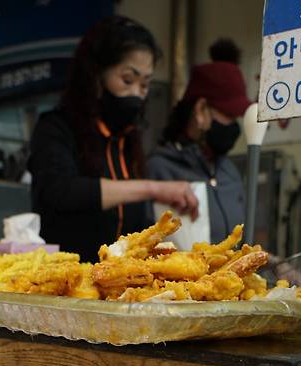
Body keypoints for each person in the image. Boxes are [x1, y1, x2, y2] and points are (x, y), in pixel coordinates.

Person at [29, 16, 199, 261]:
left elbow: (134, 222)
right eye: (127, 80)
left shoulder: (128, 140)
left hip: (119, 285)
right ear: (96, 74)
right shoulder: (56, 127)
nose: (136, 94)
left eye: (144, 85)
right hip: (67, 280)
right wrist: (153, 188)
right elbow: (60, 191)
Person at [148, 40, 251, 244]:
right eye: (228, 114)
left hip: (228, 276)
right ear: (201, 110)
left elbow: (240, 246)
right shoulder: (160, 170)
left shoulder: (229, 171)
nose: (234, 125)